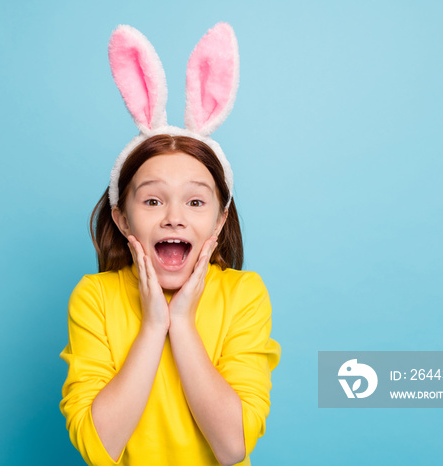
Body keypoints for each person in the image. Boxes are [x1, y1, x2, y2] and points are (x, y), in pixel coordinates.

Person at [60, 23, 280, 466]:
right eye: (153, 200)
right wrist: (151, 326)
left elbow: (232, 446)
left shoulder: (244, 295)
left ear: (220, 220)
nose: (174, 216)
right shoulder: (95, 299)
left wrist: (181, 324)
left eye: (195, 201)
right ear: (122, 218)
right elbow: (98, 448)